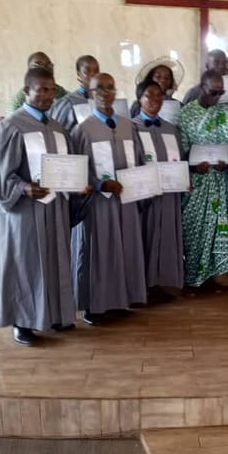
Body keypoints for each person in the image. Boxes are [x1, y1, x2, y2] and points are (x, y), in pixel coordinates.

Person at [0, 67, 78, 346]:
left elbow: (69, 167)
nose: (47, 95)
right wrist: (25, 187)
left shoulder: (58, 129)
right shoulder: (10, 127)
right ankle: (23, 321)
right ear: (27, 91)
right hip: (24, 210)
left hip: (54, 208)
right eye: (41, 90)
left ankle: (55, 314)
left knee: (55, 258)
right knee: (26, 262)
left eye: (51, 90)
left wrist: (78, 182)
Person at [70, 73, 147, 324]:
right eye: (98, 89)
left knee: (125, 248)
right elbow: (78, 170)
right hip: (98, 204)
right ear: (90, 94)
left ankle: (120, 301)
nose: (104, 93)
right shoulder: (83, 129)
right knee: (100, 251)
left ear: (115, 92)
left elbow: (138, 159)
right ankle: (95, 306)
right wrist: (102, 183)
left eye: (109, 88)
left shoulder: (127, 126)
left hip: (126, 200)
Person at [178, 69, 228, 288]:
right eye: (212, 92)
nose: (216, 97)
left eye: (220, 93)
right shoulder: (186, 114)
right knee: (194, 231)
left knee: (218, 230)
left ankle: (215, 277)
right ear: (200, 87)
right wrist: (193, 165)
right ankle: (193, 278)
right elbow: (182, 147)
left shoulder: (227, 113)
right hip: (197, 183)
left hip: (219, 181)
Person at [132, 81, 185, 301]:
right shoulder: (131, 128)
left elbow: (179, 160)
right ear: (139, 99)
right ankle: (140, 287)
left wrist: (183, 180)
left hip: (169, 196)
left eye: (159, 96)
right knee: (144, 236)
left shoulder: (171, 130)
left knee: (165, 238)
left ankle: (159, 284)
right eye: (149, 96)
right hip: (145, 196)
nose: (154, 100)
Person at [49, 55, 100, 132]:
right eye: (87, 71)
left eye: (96, 71)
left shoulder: (103, 100)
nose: (93, 75)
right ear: (79, 74)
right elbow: (58, 132)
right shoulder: (69, 102)